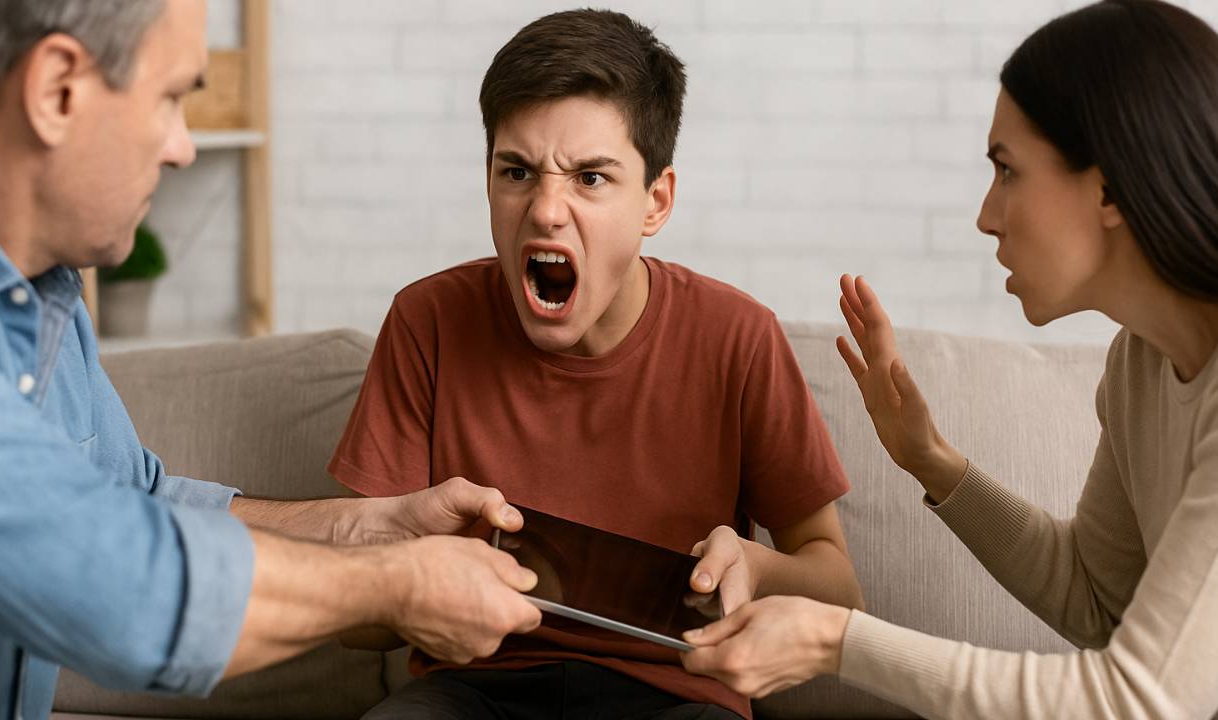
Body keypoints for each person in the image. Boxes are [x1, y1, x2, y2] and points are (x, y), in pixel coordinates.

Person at [681, 1, 1218, 718]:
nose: (986, 216)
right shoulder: (1139, 365)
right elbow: (1095, 596)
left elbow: (1136, 699)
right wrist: (933, 462)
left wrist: (840, 640)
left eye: (1007, 171)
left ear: (1110, 186)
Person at [0, 2, 542, 718]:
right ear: (57, 90)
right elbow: (124, 584)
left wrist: (369, 528)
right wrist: (399, 584)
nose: (182, 147)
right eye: (169, 99)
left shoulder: (47, 307)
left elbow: (136, 503)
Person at [327, 9, 864, 720]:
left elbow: (841, 591)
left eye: (589, 178)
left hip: (679, 697)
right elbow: (358, 625)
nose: (546, 210)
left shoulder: (739, 337)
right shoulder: (426, 322)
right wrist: (412, 570)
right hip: (470, 693)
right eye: (516, 171)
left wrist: (756, 570)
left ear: (656, 202)